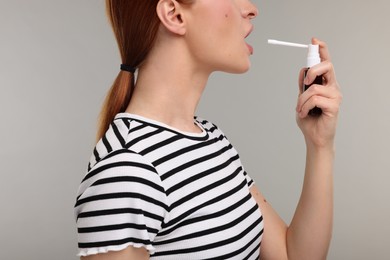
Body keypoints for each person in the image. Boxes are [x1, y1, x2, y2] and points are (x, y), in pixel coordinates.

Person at [74, 0, 342, 259]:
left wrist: (319, 144)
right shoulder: (127, 171)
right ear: (174, 15)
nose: (252, 9)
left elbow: (291, 255)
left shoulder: (210, 138)